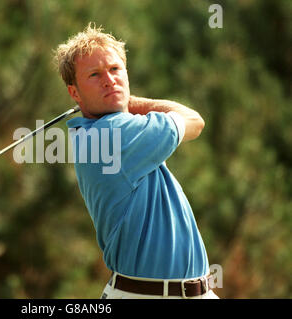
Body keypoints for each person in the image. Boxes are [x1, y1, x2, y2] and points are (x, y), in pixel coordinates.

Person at [54, 23, 219, 299]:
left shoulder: (99, 132)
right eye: (95, 75)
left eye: (115, 69)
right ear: (74, 93)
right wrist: (132, 101)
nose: (110, 80)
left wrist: (124, 101)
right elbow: (195, 121)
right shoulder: (112, 135)